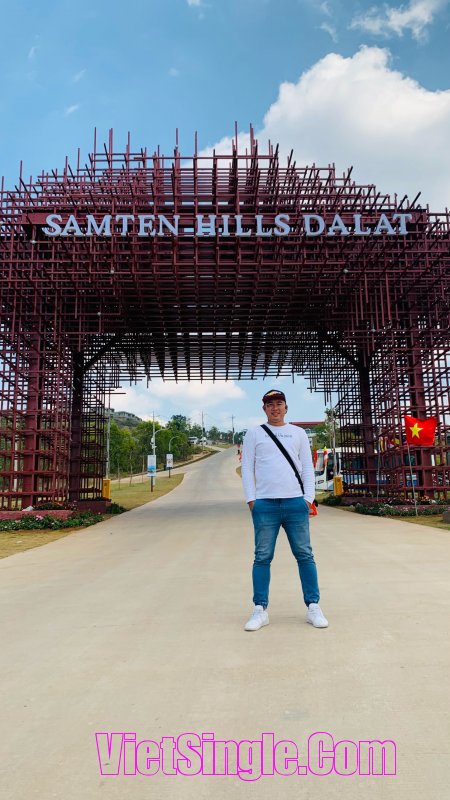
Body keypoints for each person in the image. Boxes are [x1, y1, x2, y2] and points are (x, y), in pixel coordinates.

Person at [241, 389, 328, 631]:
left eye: (279, 403)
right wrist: (252, 500)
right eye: (270, 404)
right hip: (265, 504)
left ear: (286, 407)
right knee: (262, 557)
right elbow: (247, 468)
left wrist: (308, 499)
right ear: (264, 409)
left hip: (295, 503)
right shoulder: (254, 433)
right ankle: (260, 609)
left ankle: (313, 606)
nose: (275, 408)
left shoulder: (298, 433)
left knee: (305, 555)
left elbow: (307, 468)